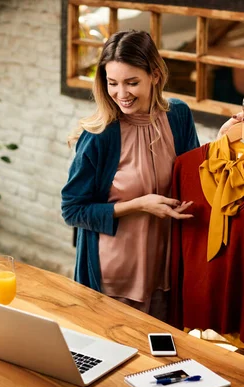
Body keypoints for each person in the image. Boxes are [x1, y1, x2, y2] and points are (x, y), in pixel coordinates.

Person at [61, 30, 200, 321]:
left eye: (132, 82)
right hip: (116, 278)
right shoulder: (100, 136)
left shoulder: (178, 116)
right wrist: (138, 205)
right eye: (112, 83)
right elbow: (72, 210)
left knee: (162, 361)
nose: (121, 94)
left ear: (155, 76)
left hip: (165, 273)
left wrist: (223, 144)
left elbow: (194, 178)